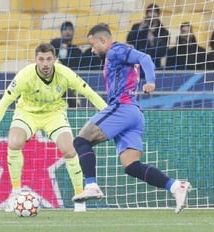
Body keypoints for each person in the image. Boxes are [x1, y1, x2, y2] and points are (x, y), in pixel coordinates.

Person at [72, 24, 192, 214]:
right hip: (135, 113)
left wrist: (151, 81)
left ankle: (91, 185)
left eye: (93, 45)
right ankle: (176, 186)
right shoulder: (117, 57)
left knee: (80, 141)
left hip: (122, 107)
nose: (92, 50)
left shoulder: (115, 50)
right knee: (132, 166)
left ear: (102, 40)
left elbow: (145, 57)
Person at [0, 43, 107, 212]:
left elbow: (90, 93)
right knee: (14, 143)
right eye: (41, 59)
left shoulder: (65, 73)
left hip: (54, 114)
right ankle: (16, 192)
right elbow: (4, 102)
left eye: (49, 59)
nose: (45, 64)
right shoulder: (25, 75)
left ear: (55, 59)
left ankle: (80, 198)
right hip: (27, 114)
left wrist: (110, 116)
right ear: (35, 60)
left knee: (70, 150)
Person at [126, 3, 170, 68]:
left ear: (158, 14)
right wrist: (140, 28)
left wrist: (153, 40)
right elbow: (129, 40)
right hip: (138, 63)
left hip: (154, 64)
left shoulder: (164, 32)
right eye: (150, 12)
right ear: (146, 14)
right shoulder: (137, 26)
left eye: (154, 12)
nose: (152, 14)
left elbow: (163, 52)